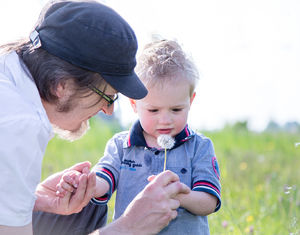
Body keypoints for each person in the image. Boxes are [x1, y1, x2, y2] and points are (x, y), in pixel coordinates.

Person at [0, 1, 190, 234]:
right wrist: (129, 227)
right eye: (108, 95)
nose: (108, 110)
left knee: (87, 209)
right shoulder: (20, 124)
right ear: (62, 86)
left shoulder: (9, 75)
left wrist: (35, 198)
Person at [58, 39, 222, 234]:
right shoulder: (121, 146)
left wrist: (178, 194)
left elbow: (209, 202)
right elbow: (104, 179)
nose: (165, 120)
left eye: (176, 109)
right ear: (134, 105)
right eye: (153, 110)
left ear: (190, 101)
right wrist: (87, 184)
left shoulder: (198, 147)